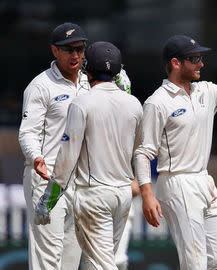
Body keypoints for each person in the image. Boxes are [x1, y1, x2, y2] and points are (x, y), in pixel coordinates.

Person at [133, 22, 217, 270]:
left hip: (203, 179)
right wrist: (147, 194)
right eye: (194, 59)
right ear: (175, 63)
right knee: (195, 262)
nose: (201, 64)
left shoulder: (206, 91)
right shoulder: (157, 102)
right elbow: (143, 151)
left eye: (200, 58)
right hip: (176, 181)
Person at [33, 41, 143, 270]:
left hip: (95, 196)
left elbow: (66, 157)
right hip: (122, 196)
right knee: (99, 263)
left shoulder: (82, 103)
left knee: (102, 266)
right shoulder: (134, 104)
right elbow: (140, 148)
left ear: (87, 70)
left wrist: (48, 200)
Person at [18, 22, 88, 270]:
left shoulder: (89, 83)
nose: (75, 55)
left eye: (80, 48)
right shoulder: (41, 85)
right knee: (47, 260)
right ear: (54, 51)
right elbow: (27, 133)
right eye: (68, 49)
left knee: (71, 260)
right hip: (48, 179)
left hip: (79, 181)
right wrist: (36, 157)